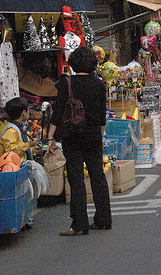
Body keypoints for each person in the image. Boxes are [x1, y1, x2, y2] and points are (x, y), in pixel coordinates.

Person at [47, 46, 111, 236]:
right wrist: (99, 135)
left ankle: (79, 224)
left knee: (76, 180)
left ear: (73, 63)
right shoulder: (99, 84)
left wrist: (50, 137)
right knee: (97, 176)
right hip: (93, 136)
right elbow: (102, 117)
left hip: (72, 136)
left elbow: (57, 113)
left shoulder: (66, 83)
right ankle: (104, 220)